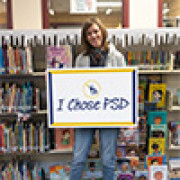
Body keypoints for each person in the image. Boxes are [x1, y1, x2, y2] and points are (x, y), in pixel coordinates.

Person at [70, 17, 125, 180]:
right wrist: (54, 80)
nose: (93, 36)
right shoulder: (81, 59)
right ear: (85, 38)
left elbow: (123, 86)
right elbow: (74, 86)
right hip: (85, 115)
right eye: (89, 34)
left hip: (109, 114)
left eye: (96, 31)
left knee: (108, 160)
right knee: (78, 159)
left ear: (102, 32)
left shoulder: (117, 57)